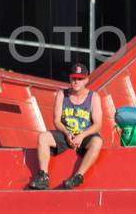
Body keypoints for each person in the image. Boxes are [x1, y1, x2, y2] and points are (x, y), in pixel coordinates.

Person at [27, 62, 103, 191]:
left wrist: (82, 136)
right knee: (43, 137)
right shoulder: (62, 94)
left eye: (80, 79)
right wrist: (67, 133)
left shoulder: (93, 97)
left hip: (84, 136)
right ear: (69, 78)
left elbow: (98, 124)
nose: (76, 82)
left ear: (86, 80)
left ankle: (78, 176)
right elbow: (56, 120)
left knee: (97, 141)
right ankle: (43, 177)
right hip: (65, 134)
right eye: (74, 78)